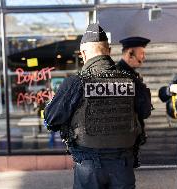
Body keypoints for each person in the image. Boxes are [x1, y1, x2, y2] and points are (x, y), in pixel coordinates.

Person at [44, 23, 151, 189]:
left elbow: (51, 120)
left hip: (89, 167)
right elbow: (144, 112)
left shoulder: (75, 83)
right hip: (123, 164)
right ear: (108, 50)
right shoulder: (132, 81)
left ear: (83, 54)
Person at [116, 37, 152, 168]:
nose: (144, 57)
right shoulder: (126, 77)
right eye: (141, 53)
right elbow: (144, 110)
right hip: (125, 139)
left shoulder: (121, 73)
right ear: (130, 53)